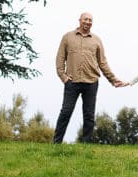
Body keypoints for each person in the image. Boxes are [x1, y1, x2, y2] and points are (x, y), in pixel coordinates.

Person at [53, 12, 124, 143]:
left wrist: (113, 79)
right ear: (79, 20)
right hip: (72, 81)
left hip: (91, 82)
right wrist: (63, 76)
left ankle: (86, 144)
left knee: (89, 115)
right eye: (85, 19)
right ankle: (56, 142)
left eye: (90, 20)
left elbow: (102, 62)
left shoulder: (96, 40)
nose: (88, 22)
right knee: (66, 112)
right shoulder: (67, 37)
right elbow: (60, 59)